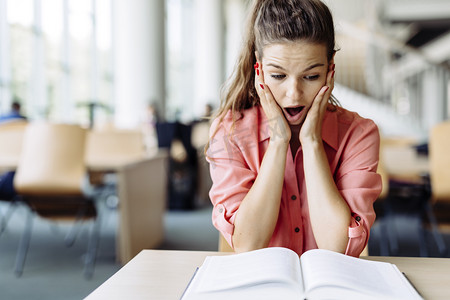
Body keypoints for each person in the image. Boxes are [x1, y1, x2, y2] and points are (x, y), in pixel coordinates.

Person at [206, 0, 382, 257]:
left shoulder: (360, 134)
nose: (294, 94)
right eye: (278, 76)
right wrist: (278, 142)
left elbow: (338, 248)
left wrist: (312, 142)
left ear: (330, 69)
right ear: (260, 70)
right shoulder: (229, 132)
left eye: (310, 76)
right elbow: (248, 245)